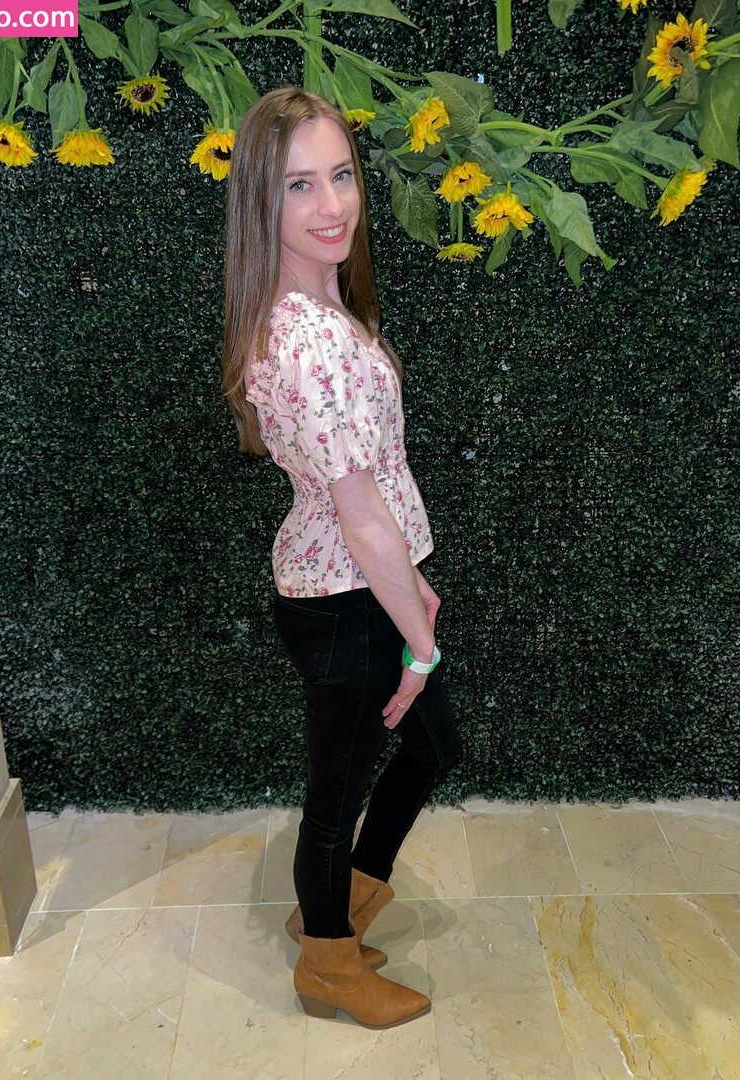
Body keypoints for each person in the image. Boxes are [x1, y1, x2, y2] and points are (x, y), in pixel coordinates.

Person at [221, 85, 461, 1029]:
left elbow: (373, 494)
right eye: (299, 185)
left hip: (371, 587)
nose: (333, 206)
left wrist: (416, 591)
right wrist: (419, 643)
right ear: (261, 201)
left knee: (435, 747)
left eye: (342, 176)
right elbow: (360, 518)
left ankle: (345, 901)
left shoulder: (322, 306)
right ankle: (325, 958)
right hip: (344, 601)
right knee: (335, 799)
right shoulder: (306, 340)